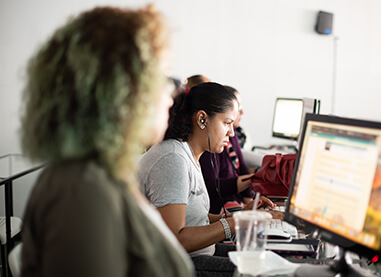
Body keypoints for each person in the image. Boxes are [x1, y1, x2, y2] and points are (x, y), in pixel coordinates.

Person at [19, 6, 194, 277]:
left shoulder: (103, 174)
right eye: (166, 78)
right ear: (122, 89)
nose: (173, 94)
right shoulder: (83, 189)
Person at [138, 82, 283, 276]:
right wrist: (239, 222)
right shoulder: (173, 158)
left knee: (273, 260)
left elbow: (192, 218)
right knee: (268, 273)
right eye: (227, 123)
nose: (232, 133)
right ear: (202, 119)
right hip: (177, 265)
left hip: (198, 254)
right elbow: (175, 240)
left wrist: (239, 216)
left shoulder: (188, 154)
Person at [199, 85, 254, 215]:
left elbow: (243, 169)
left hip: (235, 203)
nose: (240, 113)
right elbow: (212, 186)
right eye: (238, 107)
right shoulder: (210, 142)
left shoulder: (231, 135)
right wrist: (253, 178)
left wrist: (252, 204)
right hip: (221, 207)